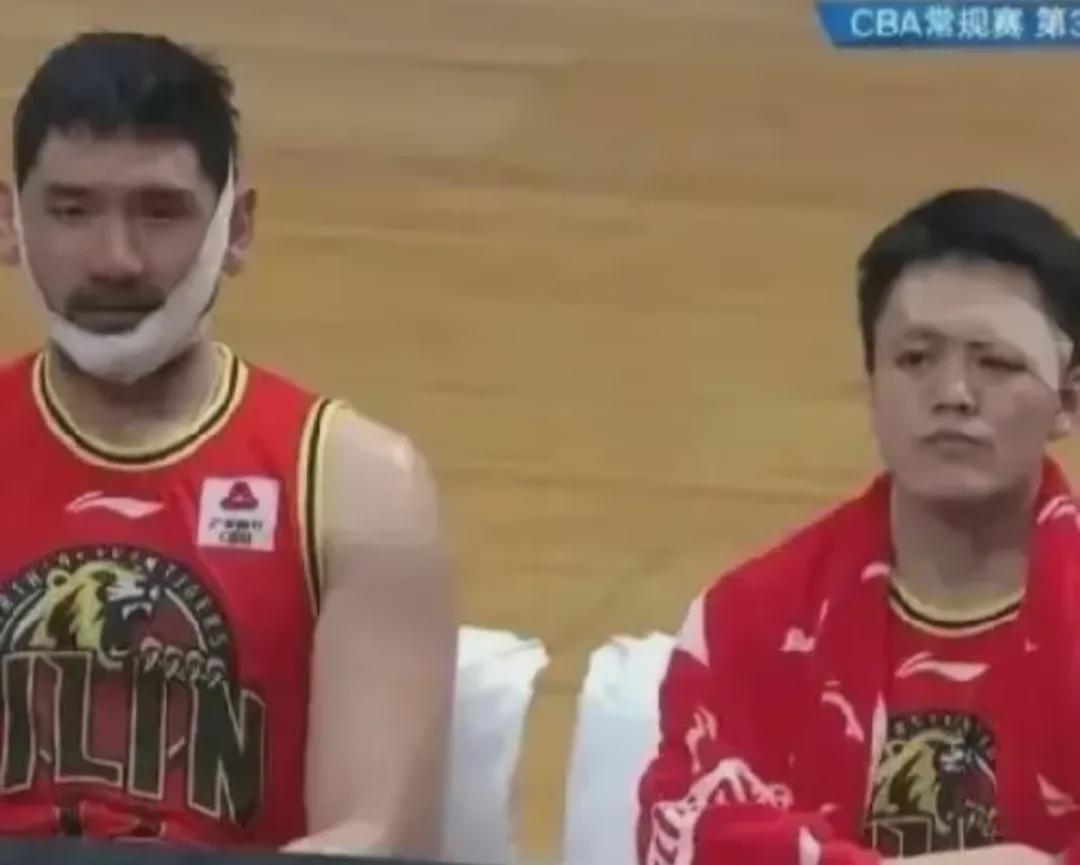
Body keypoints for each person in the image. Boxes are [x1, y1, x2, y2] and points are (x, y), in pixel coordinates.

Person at [0, 31, 457, 857]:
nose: (115, 259)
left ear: (237, 229)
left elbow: (373, 838)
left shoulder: (357, 485)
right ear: (9, 223)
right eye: (71, 210)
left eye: (160, 211)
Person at [636, 188, 1080, 865]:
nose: (953, 394)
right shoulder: (751, 618)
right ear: (872, 383)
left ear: (1068, 398)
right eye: (915, 359)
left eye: (995, 363)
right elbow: (682, 833)